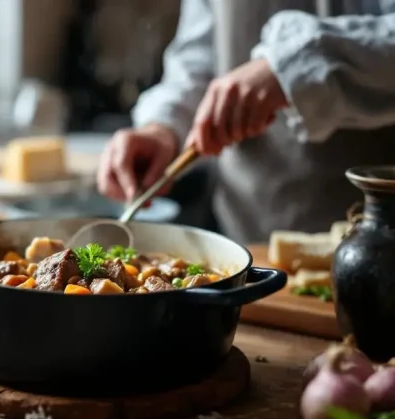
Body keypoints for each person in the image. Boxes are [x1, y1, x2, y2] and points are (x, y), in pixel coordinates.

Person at [97, 0, 395, 243]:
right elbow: (199, 54)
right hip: (239, 228)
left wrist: (299, 62)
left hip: (375, 233)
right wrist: (163, 127)